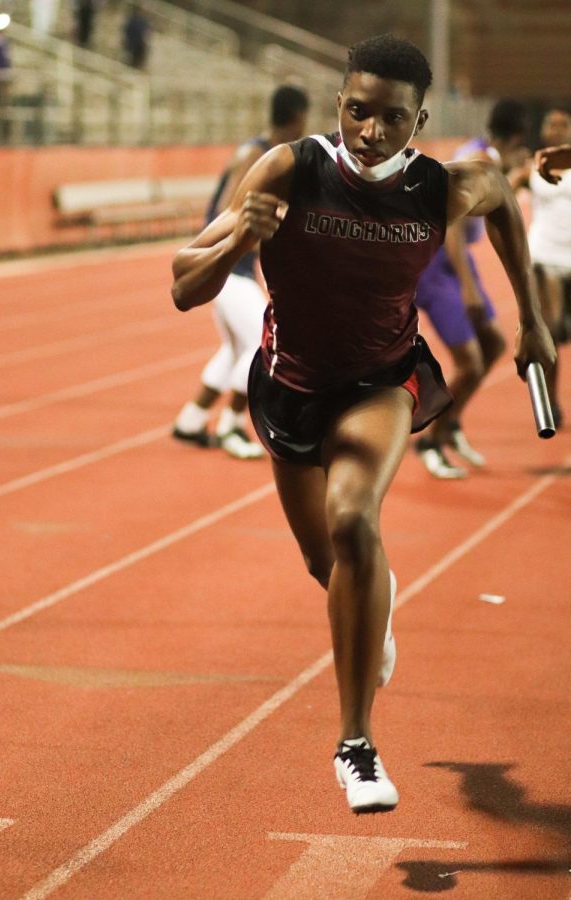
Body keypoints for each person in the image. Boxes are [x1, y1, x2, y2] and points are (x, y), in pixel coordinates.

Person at [171, 35, 555, 814]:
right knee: (329, 567)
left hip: (384, 379)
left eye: (390, 118)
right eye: (356, 111)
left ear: (419, 120)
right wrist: (242, 239)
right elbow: (184, 285)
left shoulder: (442, 185)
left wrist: (534, 322)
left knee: (354, 521)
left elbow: (504, 202)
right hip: (288, 386)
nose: (370, 131)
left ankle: (356, 743)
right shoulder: (290, 168)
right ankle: (370, 607)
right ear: (339, 104)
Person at [172, 85, 309, 460]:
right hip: (228, 269)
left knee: (234, 348)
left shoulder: (268, 155)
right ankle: (232, 425)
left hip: (239, 269)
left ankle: (191, 419)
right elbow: (227, 213)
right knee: (262, 345)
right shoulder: (255, 155)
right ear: (299, 118)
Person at [413, 99, 529, 478]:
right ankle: (429, 441)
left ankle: (452, 424)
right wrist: (469, 289)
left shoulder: (483, 154)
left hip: (458, 264)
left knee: (495, 344)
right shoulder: (479, 161)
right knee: (470, 363)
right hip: (438, 268)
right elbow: (454, 232)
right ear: (513, 140)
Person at [513, 108, 571, 426]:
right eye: (552, 124)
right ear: (545, 131)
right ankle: (552, 400)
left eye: (564, 124)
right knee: (551, 330)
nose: (558, 129)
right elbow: (503, 195)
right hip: (545, 257)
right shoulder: (531, 168)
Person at [122, 3, 150, 70]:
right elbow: (127, 30)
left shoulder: (145, 21)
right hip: (132, 42)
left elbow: (147, 32)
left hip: (139, 44)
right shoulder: (132, 19)